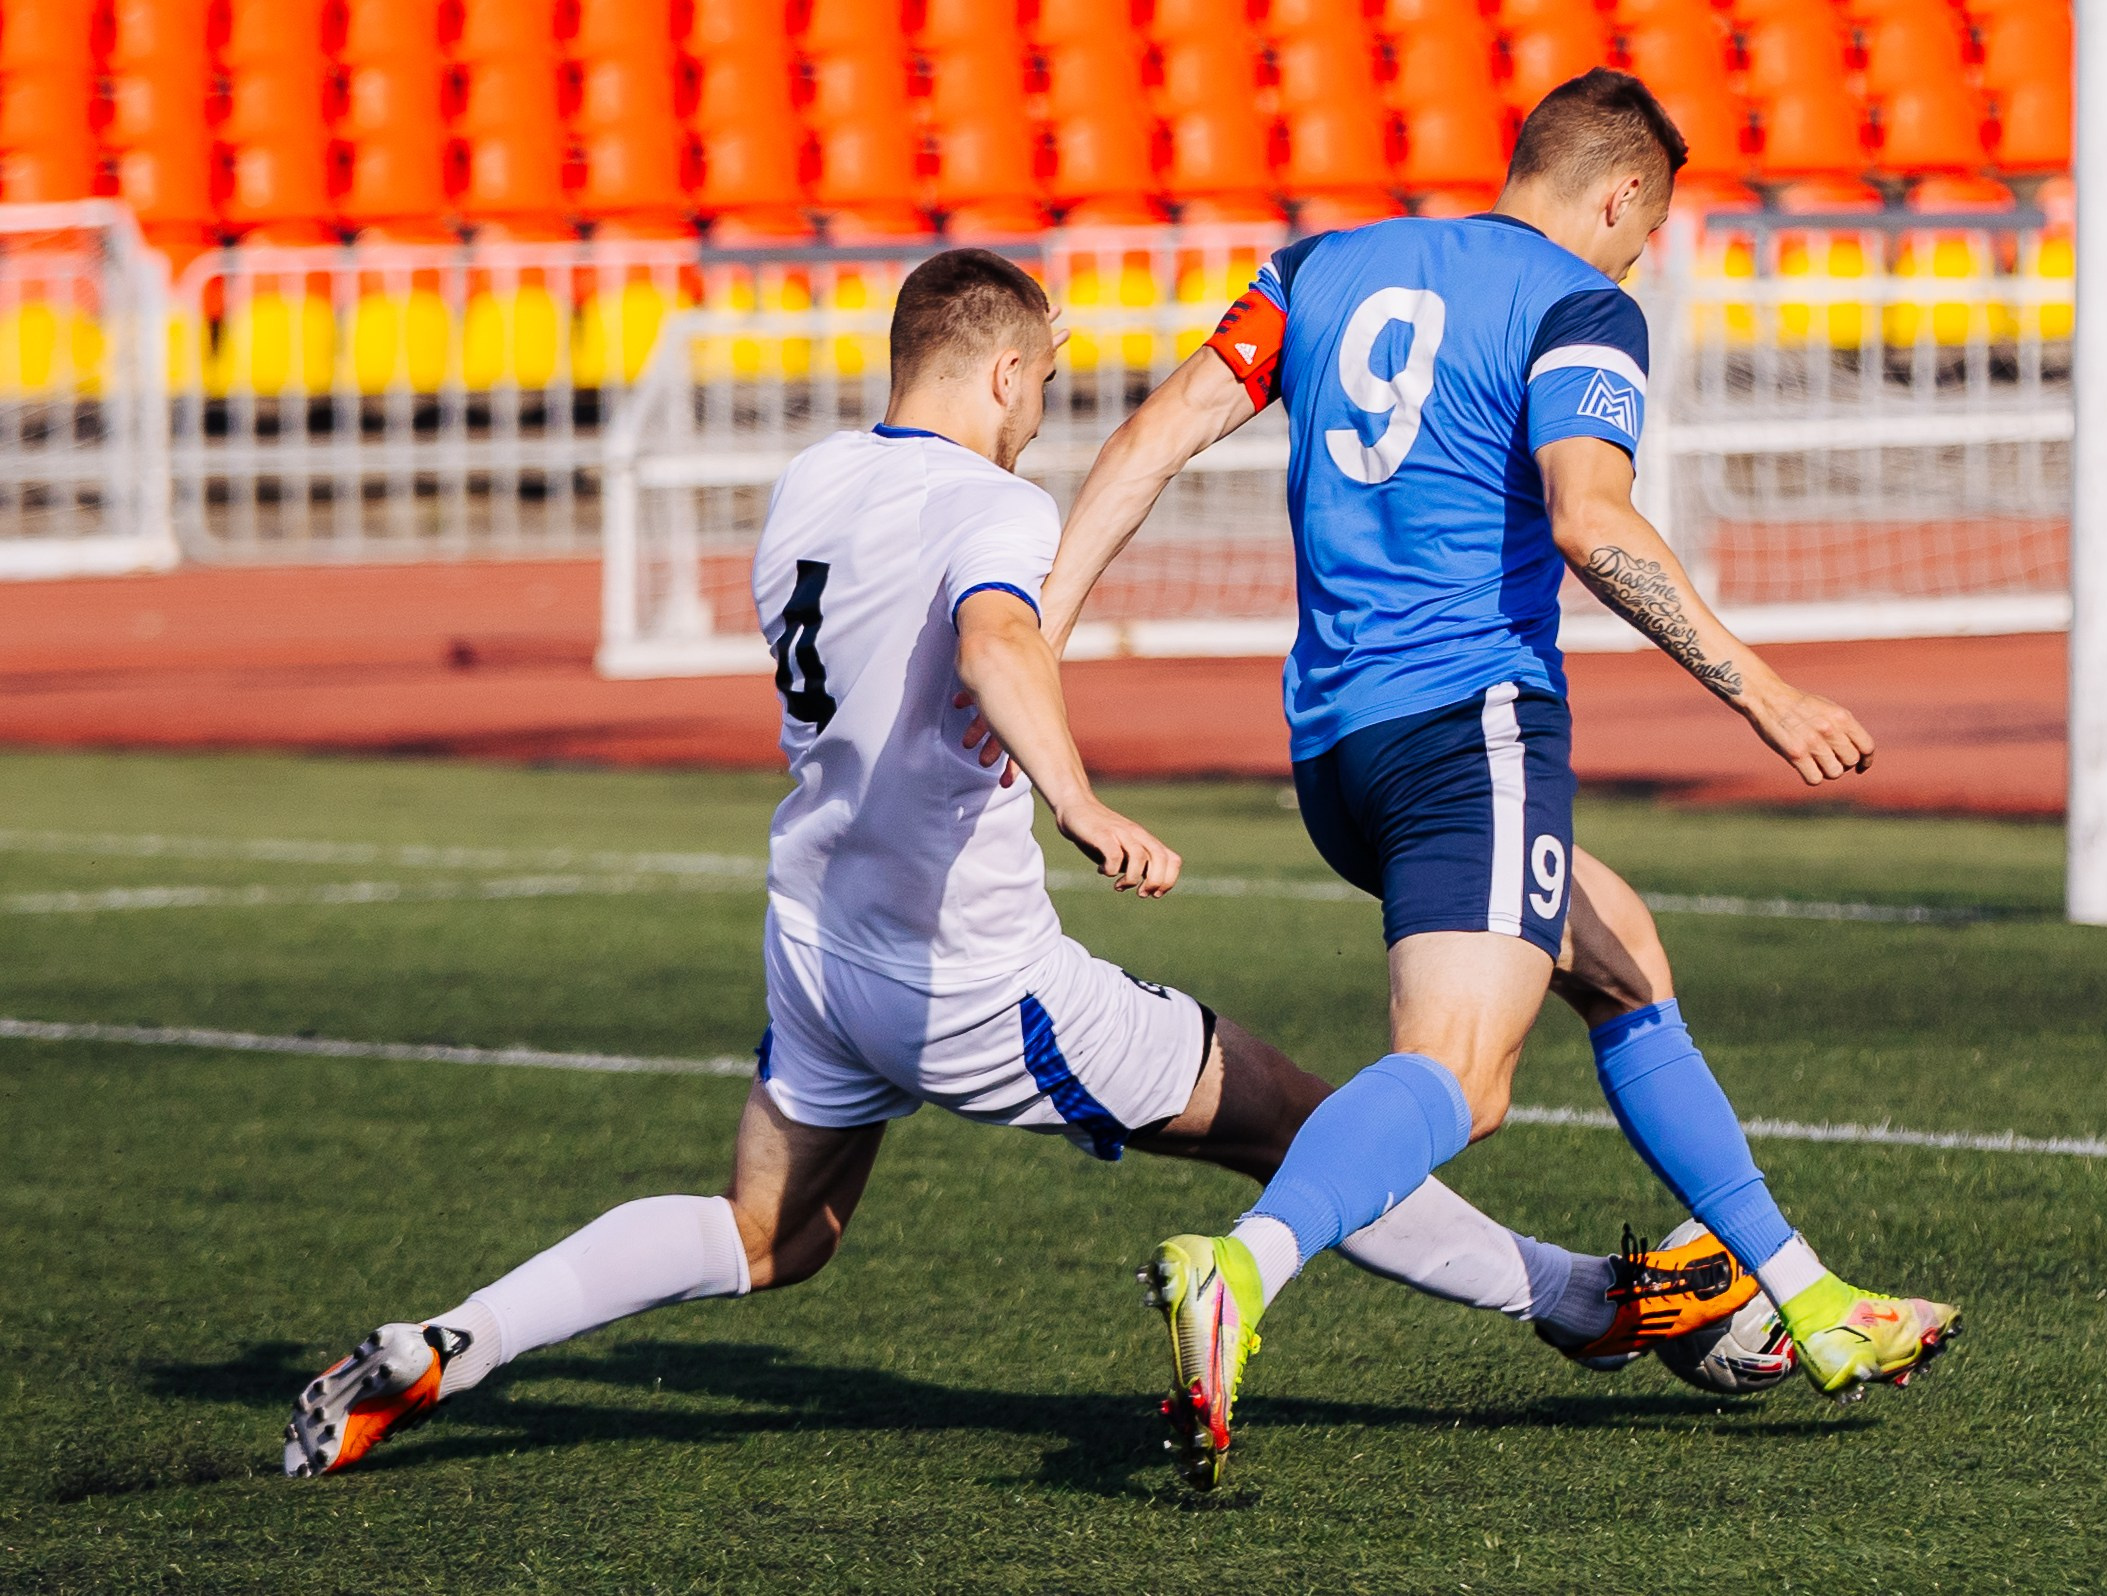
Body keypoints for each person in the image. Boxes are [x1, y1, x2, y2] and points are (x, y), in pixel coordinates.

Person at [282, 248, 1758, 1481]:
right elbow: (997, 638)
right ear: (996, 372)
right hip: (971, 976)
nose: (1042, 420)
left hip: (816, 942)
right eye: (1042, 387)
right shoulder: (993, 506)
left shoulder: (812, 480)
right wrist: (1080, 801)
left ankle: (450, 1342)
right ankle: (1577, 1300)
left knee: (762, 1233)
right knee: (1294, 1120)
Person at [1030, 70, 1960, 1487]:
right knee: (1456, 1082)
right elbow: (1591, 523)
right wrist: (1761, 688)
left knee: (1623, 964)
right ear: (1616, 198)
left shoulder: (1318, 268)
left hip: (1336, 751)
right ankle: (1244, 1268)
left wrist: (1036, 644)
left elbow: (1144, 442)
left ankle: (1815, 1301)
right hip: (1470, 731)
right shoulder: (1581, 307)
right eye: (1641, 234)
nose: (1637, 260)